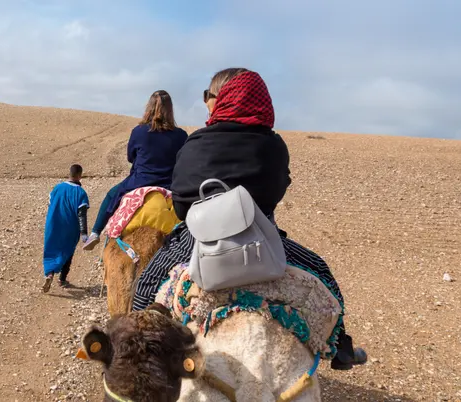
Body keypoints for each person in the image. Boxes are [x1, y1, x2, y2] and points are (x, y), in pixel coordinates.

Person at [131, 68, 368, 370]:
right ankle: (342, 348)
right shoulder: (273, 145)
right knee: (321, 272)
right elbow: (277, 190)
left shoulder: (195, 142)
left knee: (145, 286)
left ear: (221, 99)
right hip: (261, 238)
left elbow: (181, 205)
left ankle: (134, 355)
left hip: (198, 241)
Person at [82, 90, 188, 250]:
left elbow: (131, 157)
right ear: (170, 109)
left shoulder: (139, 131)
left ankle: (95, 233)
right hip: (169, 185)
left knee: (112, 194)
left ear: (149, 107)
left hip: (140, 181)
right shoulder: (181, 135)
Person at [42, 164, 90, 292]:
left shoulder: (57, 188)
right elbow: (82, 214)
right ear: (80, 175)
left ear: (69, 173)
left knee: (52, 249)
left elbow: (50, 205)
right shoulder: (80, 193)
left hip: (53, 224)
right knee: (67, 251)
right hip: (70, 227)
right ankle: (62, 279)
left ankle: (50, 273)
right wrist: (84, 233)